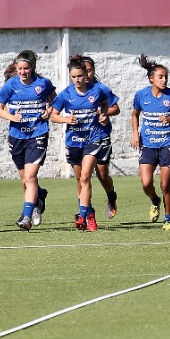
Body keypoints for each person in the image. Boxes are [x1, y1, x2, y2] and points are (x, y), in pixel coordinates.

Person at [0, 50, 55, 231]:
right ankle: (39, 197)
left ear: (32, 67)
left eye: (26, 68)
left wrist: (49, 111)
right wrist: (11, 117)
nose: (23, 72)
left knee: (30, 177)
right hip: (17, 136)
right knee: (25, 181)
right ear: (16, 68)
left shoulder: (42, 84)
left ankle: (26, 216)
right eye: (20, 68)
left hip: (38, 133)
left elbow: (54, 98)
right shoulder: (10, 85)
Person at [50, 56, 113, 231]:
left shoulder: (97, 90)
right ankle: (89, 214)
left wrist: (104, 114)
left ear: (86, 75)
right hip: (74, 142)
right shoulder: (66, 94)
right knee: (80, 180)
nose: (77, 80)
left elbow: (108, 104)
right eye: (74, 77)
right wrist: (65, 119)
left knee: (86, 176)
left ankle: (83, 217)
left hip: (93, 139)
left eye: (80, 76)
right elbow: (53, 115)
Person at [131, 54, 170, 230]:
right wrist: (135, 134)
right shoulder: (141, 95)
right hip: (148, 144)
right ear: (151, 78)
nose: (165, 80)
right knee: (146, 183)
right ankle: (154, 200)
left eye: (166, 76)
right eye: (161, 76)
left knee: (165, 184)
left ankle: (168, 219)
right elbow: (135, 114)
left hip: (167, 144)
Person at [80, 56, 121, 219]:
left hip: (101, 136)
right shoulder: (74, 90)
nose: (87, 74)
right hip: (80, 139)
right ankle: (87, 214)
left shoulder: (101, 89)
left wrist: (103, 112)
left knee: (102, 175)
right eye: (84, 71)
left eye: (89, 70)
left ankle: (111, 196)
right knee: (82, 176)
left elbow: (116, 108)